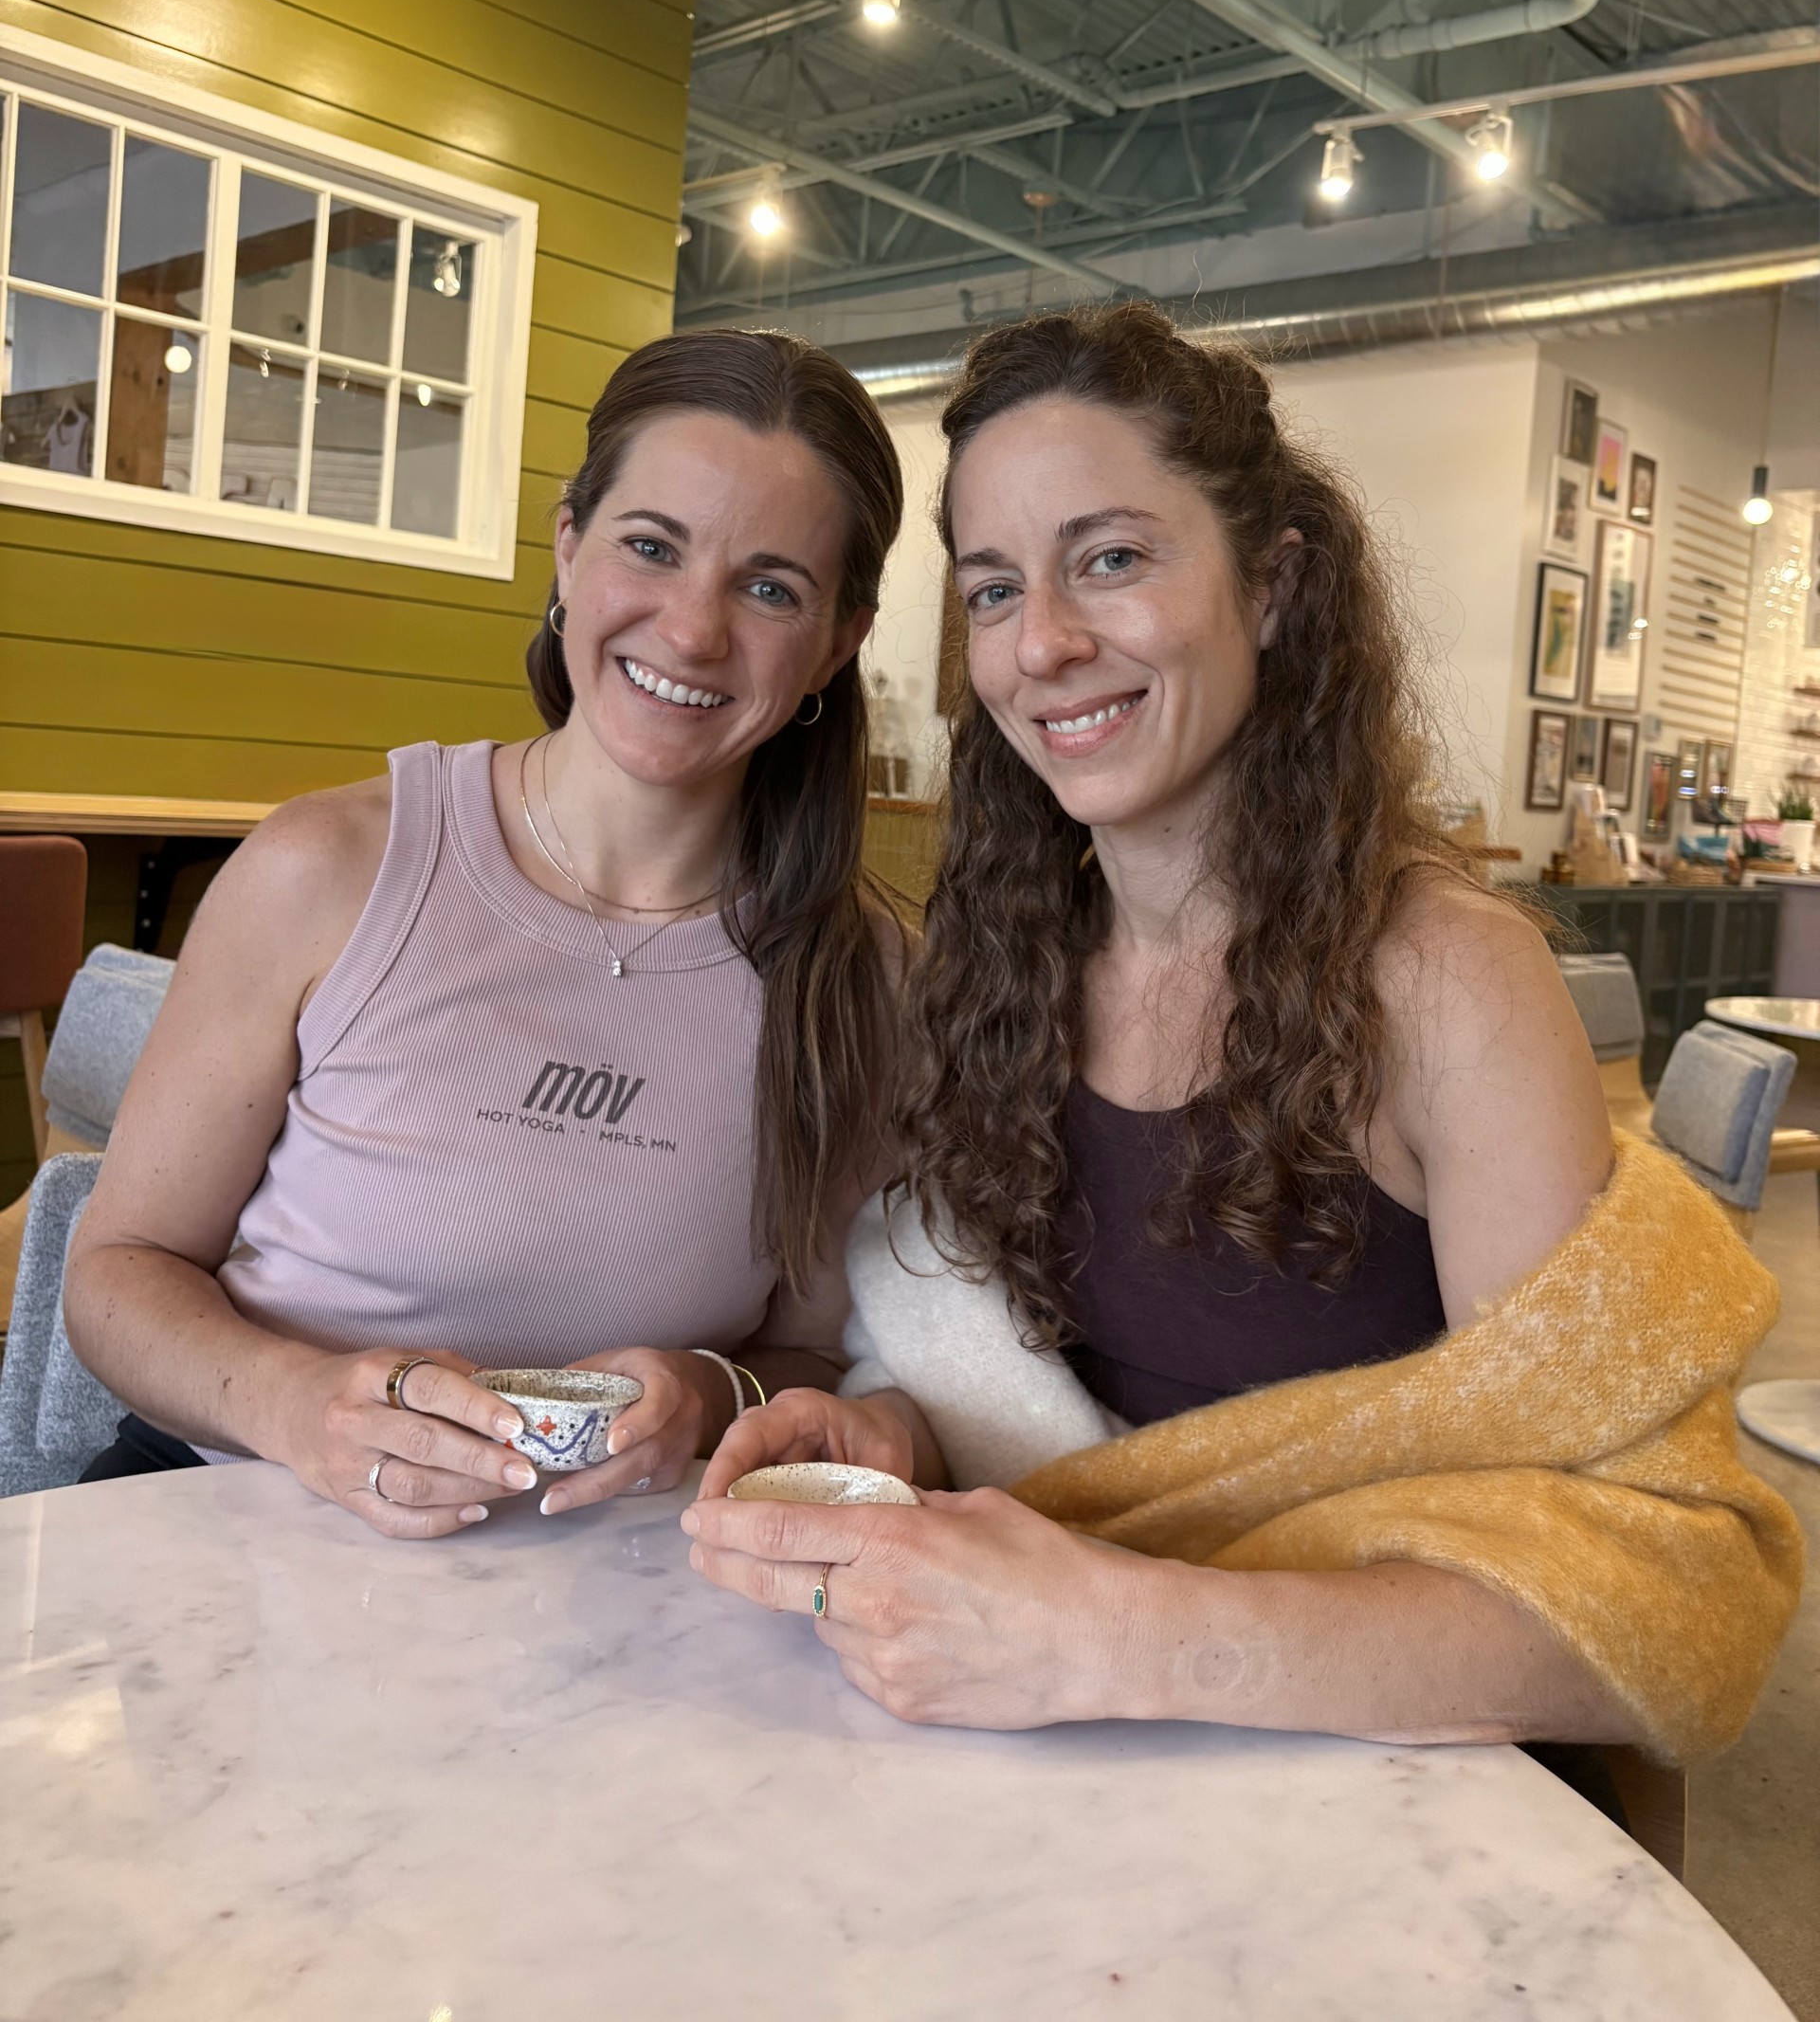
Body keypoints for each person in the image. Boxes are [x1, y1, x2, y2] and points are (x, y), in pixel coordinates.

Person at [683, 302, 1795, 1771]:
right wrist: (898, 1437)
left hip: (1357, 1794)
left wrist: (1113, 1632)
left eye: (1114, 559)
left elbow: (1660, 1582)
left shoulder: (1449, 983)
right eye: (997, 589)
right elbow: (1087, 1431)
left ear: (1272, 587)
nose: (1047, 645)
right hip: (1035, 1755)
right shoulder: (999, 970)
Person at [64, 329, 904, 1539]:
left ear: (840, 637)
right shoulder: (326, 865)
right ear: (568, 545)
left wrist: (714, 1393)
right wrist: (299, 1406)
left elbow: (811, 1356)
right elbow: (115, 1274)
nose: (692, 629)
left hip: (602, 1599)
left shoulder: (860, 976)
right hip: (233, 1521)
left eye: (770, 587)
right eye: (650, 547)